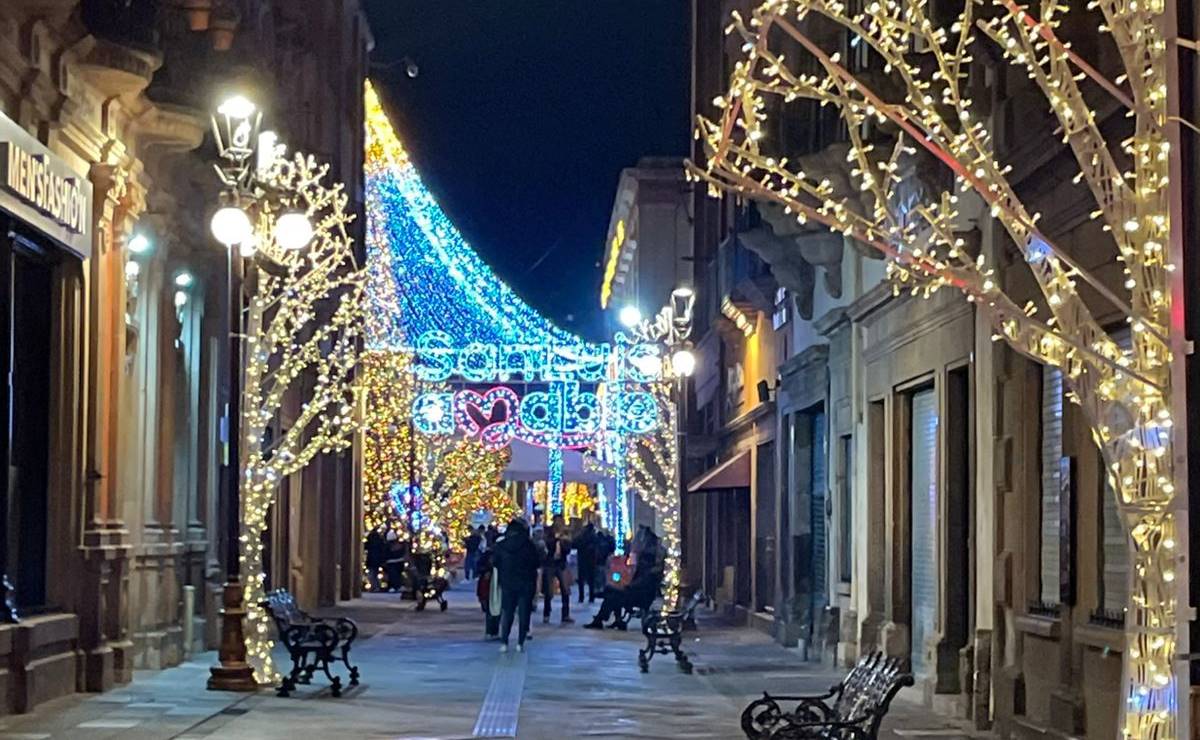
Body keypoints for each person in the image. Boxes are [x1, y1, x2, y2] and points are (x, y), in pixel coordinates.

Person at [585, 528, 663, 630]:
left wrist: (629, 586)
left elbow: (642, 582)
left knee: (612, 595)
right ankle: (613, 619)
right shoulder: (648, 566)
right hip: (639, 592)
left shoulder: (647, 568)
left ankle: (601, 619)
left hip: (639, 595)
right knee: (612, 592)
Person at [492, 518, 539, 652]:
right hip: (526, 583)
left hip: (507, 582)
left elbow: (495, 562)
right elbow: (536, 562)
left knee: (507, 611)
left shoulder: (502, 545)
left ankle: (504, 641)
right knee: (524, 612)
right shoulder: (529, 545)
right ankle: (520, 642)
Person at [539, 522, 572, 624]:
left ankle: (565, 614)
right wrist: (557, 540)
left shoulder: (565, 536)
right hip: (550, 564)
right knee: (548, 591)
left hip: (560, 564)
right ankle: (546, 613)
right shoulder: (549, 535)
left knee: (565, 590)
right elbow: (547, 547)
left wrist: (562, 542)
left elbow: (567, 549)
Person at [476, 545, 500, 639]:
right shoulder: (488, 555)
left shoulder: (491, 554)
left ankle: (493, 631)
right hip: (488, 585)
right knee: (491, 609)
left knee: (494, 610)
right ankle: (491, 631)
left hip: (493, 585)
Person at [573, 522, 599, 603]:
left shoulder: (581, 536)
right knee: (591, 580)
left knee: (581, 579)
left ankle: (581, 597)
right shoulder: (594, 536)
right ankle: (591, 597)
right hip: (591, 560)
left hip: (582, 559)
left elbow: (575, 544)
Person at [365, 525, 387, 591]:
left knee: (371, 574)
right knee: (375, 574)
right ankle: (376, 586)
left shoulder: (370, 540)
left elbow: (366, 547)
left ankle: (374, 586)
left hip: (371, 559)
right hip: (377, 560)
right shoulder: (380, 540)